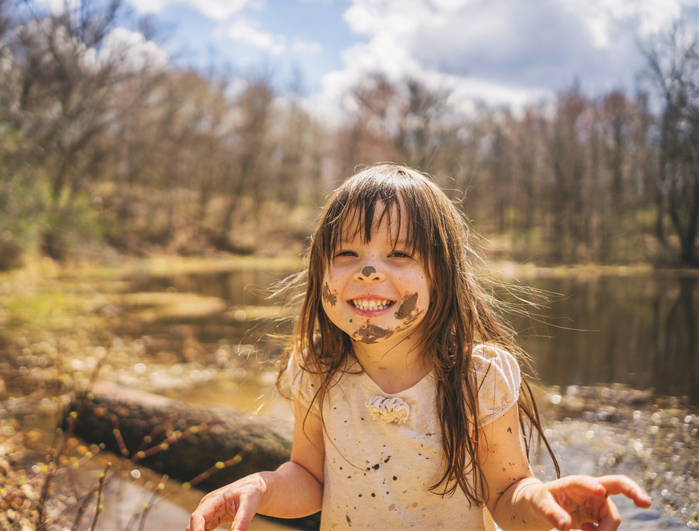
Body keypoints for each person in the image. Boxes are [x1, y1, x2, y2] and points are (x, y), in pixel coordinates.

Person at [187, 164, 651, 531]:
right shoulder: (316, 369)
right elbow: (310, 480)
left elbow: (508, 497)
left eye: (400, 254)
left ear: (441, 275)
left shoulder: (479, 377)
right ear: (319, 273)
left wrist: (542, 498)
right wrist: (262, 487)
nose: (368, 271)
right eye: (346, 254)